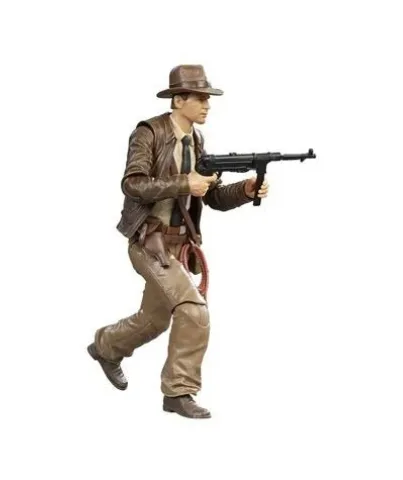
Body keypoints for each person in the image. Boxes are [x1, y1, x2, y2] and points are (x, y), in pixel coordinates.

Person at [87, 64, 269, 419]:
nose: (207, 105)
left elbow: (212, 197)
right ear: (178, 100)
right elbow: (133, 185)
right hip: (149, 241)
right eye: (200, 98)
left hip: (180, 246)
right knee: (193, 310)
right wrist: (185, 183)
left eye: (207, 98)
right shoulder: (149, 133)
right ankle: (178, 391)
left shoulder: (196, 141)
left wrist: (246, 190)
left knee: (154, 319)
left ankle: (106, 346)